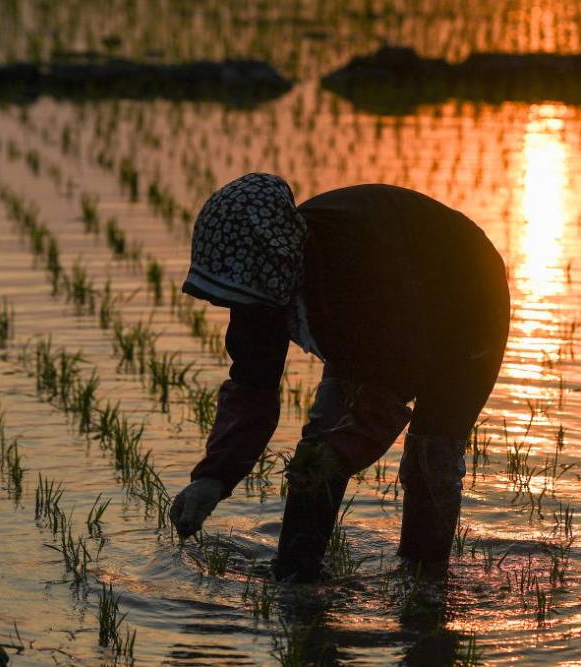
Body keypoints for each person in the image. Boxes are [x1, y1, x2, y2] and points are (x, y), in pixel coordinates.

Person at [167, 173, 509, 583]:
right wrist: (213, 478)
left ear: (274, 262)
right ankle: (296, 575)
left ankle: (425, 584)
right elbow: (252, 388)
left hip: (467, 301)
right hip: (378, 327)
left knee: (430, 456)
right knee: (316, 450)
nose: (239, 303)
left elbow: (399, 372)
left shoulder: (356, 269)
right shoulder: (261, 287)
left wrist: (341, 453)